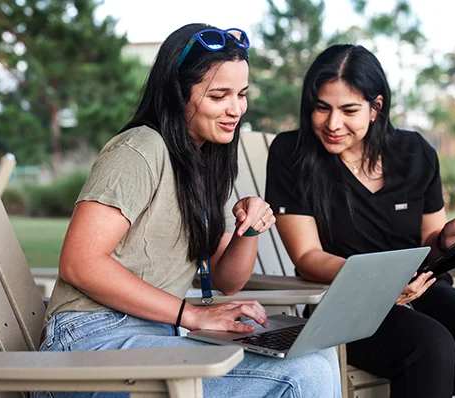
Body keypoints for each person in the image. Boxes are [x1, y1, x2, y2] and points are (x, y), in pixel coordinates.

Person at [34, 23, 341, 398]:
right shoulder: (140, 149)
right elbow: (79, 263)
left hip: (158, 338)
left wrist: (251, 230)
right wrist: (192, 314)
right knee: (302, 374)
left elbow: (227, 280)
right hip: (91, 343)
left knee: (317, 350)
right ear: (179, 93)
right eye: (218, 96)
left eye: (242, 94)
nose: (235, 109)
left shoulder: (202, 163)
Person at [265, 44, 455, 398]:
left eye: (348, 110)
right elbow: (307, 256)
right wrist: (380, 283)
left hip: (421, 290)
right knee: (429, 345)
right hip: (344, 302)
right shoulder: (291, 155)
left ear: (376, 108)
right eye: (322, 108)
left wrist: (445, 239)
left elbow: (428, 238)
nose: (332, 123)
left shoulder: (414, 152)